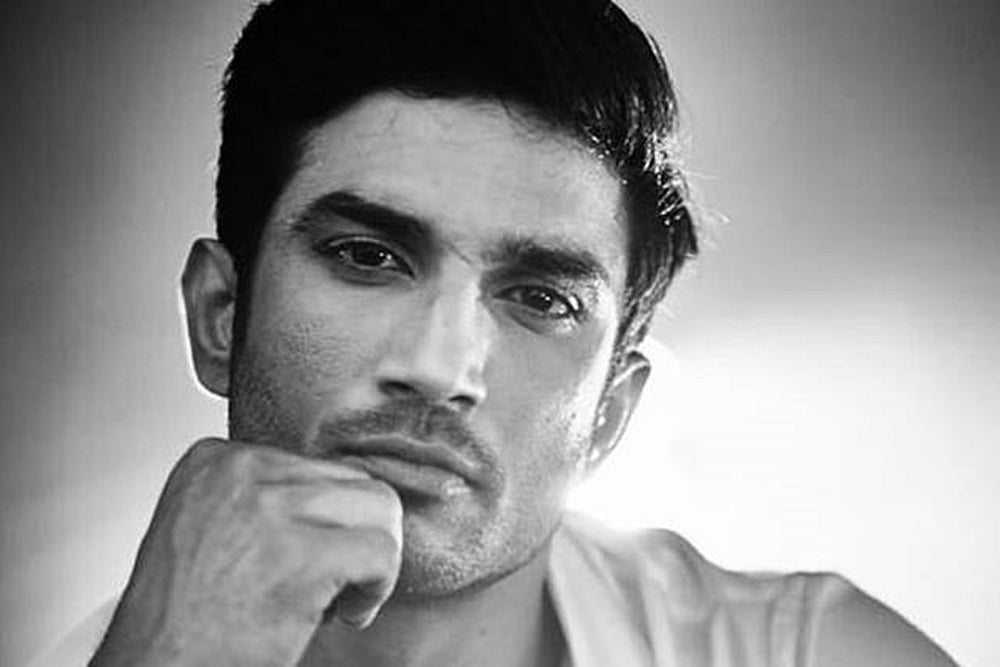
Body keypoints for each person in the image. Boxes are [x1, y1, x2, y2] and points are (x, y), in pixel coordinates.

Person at [36, 0, 957, 665]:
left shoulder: (801, 652)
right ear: (220, 315)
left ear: (610, 413)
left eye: (541, 299)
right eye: (367, 255)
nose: (440, 367)